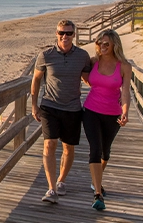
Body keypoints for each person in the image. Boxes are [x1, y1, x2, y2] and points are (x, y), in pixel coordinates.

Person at [31, 19, 92, 204]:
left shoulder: (82, 56)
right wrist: (34, 104)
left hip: (73, 108)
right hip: (50, 106)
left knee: (68, 147)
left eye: (68, 33)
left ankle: (61, 181)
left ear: (74, 35)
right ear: (56, 34)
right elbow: (35, 80)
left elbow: (90, 80)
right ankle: (51, 189)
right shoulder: (46, 55)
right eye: (61, 33)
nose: (64, 36)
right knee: (49, 144)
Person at [82, 29, 131, 210]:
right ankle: (98, 194)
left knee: (105, 152)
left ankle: (96, 180)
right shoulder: (94, 61)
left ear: (114, 45)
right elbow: (83, 75)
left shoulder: (124, 66)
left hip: (113, 114)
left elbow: (125, 92)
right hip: (90, 110)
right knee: (95, 149)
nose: (102, 47)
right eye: (100, 43)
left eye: (106, 44)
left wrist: (125, 111)